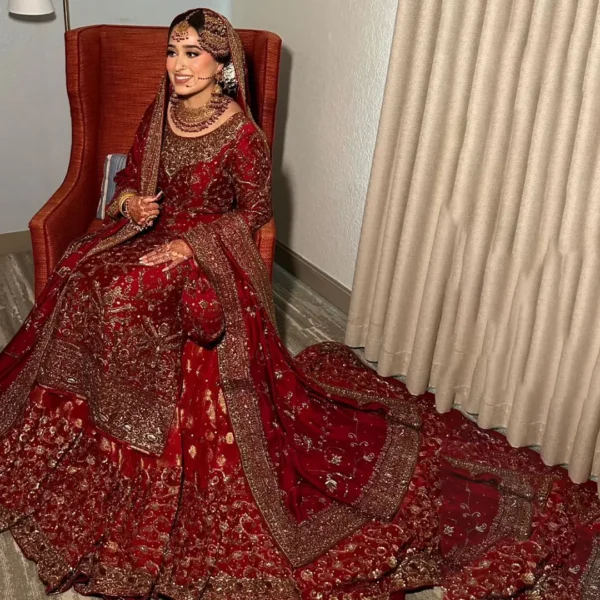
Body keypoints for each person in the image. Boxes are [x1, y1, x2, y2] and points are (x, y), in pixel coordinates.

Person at [0, 8, 598, 600]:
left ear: (220, 64)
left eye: (192, 54)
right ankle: (87, 422)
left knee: (128, 295)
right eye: (172, 52)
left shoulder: (241, 134)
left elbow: (254, 212)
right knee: (82, 273)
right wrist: (131, 204)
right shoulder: (162, 112)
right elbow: (132, 174)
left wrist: (189, 245)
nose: (178, 65)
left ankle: (137, 434)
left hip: (207, 250)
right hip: (151, 234)